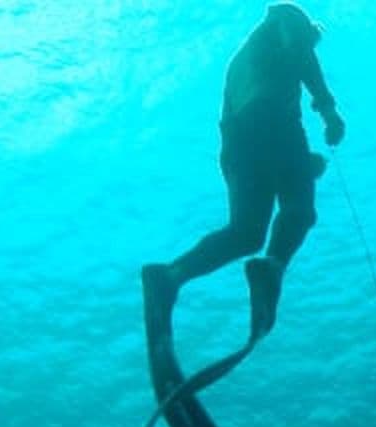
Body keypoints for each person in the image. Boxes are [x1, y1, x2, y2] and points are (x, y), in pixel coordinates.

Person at [143, 2, 345, 340]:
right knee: (300, 211)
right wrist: (330, 114)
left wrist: (299, 166)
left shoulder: (241, 60)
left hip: (237, 146)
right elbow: (301, 56)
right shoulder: (288, 21)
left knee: (246, 234)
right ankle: (272, 268)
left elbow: (251, 149)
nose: (310, 48)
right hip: (272, 124)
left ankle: (170, 277)